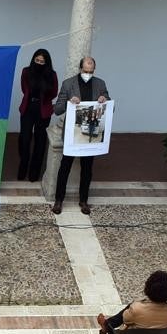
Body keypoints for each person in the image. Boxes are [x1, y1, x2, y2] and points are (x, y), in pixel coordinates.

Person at [53, 57, 109, 215]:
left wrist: (104, 101)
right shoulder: (68, 84)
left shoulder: (100, 84)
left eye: (91, 72)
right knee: (65, 167)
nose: (88, 74)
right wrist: (69, 102)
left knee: (87, 168)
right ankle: (59, 200)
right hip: (72, 133)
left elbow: (110, 107)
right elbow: (57, 109)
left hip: (91, 133)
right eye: (85, 71)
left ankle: (84, 200)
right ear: (80, 69)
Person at [96, 270, 167, 334]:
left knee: (130, 310)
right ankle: (107, 325)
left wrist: (136, 304)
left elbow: (125, 320)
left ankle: (107, 325)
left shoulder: (136, 308)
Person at [17, 48, 58, 182]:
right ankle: (23, 167)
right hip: (28, 108)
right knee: (25, 139)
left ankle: (34, 173)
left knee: (40, 141)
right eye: (37, 60)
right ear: (33, 59)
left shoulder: (52, 74)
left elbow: (54, 93)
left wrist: (44, 98)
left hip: (43, 110)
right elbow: (24, 89)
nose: (39, 63)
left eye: (42, 61)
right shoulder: (26, 71)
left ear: (47, 62)